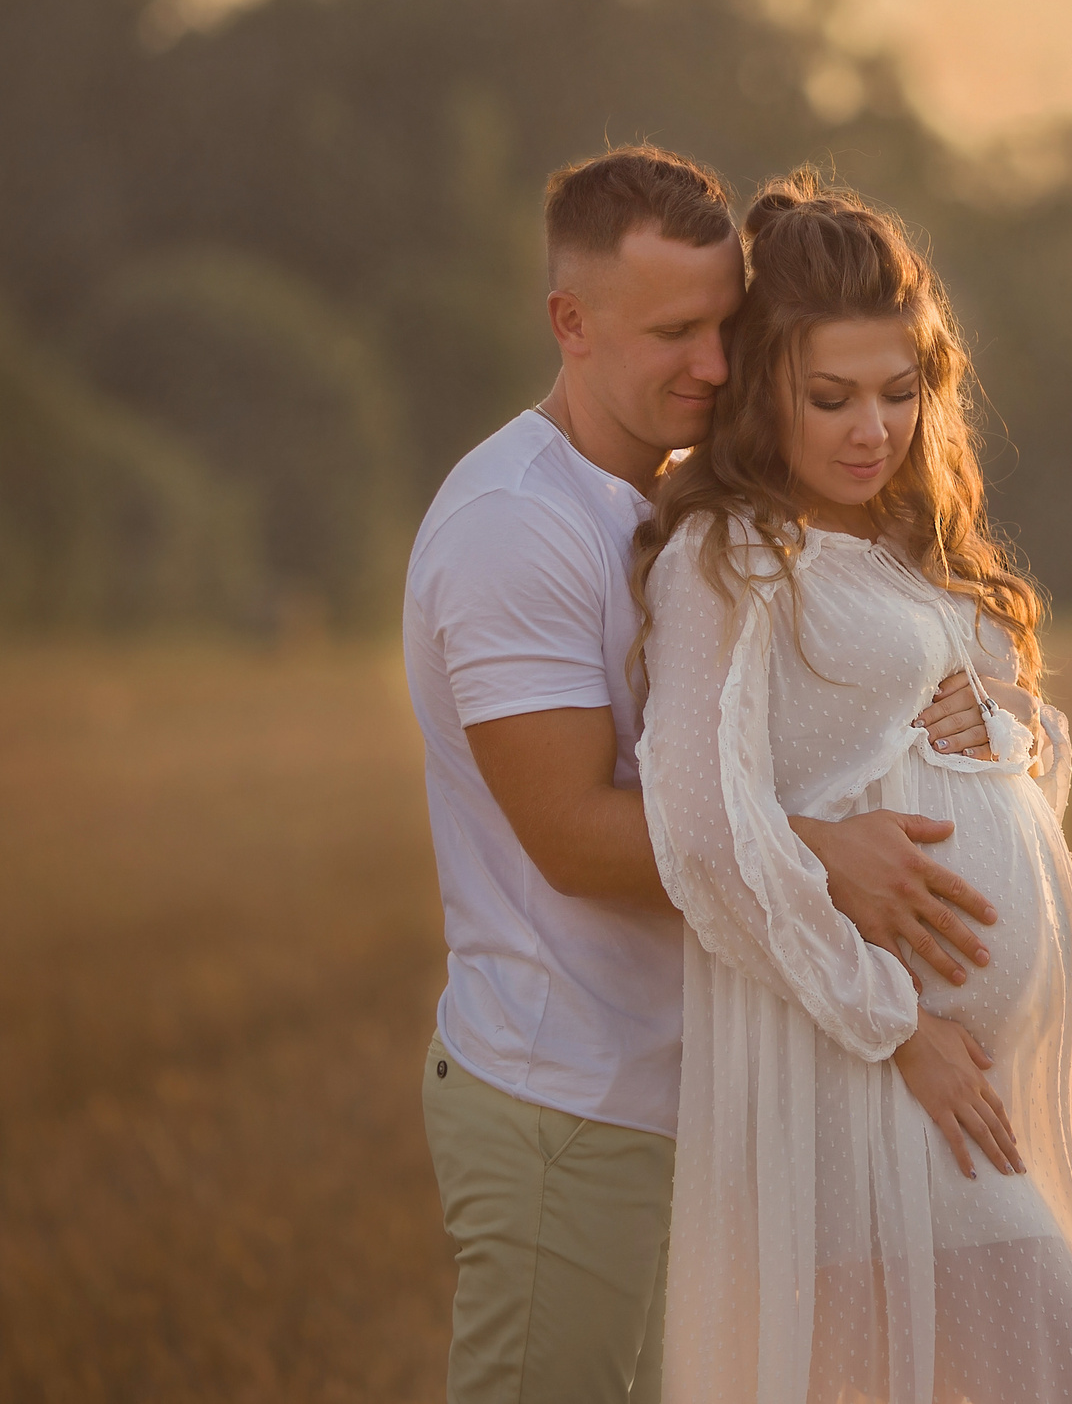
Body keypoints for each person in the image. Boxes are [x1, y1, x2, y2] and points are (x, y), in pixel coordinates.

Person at [403, 146, 1001, 1404]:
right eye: (674, 331)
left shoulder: (681, 502)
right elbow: (568, 835)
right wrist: (825, 856)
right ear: (570, 323)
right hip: (574, 1106)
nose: (717, 366)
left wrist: (961, 713)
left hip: (719, 1097)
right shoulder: (515, 527)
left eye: (727, 326)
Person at [633, 173, 1072, 1403]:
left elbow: (1016, 800)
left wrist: (1010, 727)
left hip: (940, 1086)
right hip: (859, 1072)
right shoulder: (732, 559)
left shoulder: (899, 549)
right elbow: (706, 830)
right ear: (761, 387)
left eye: (898, 392)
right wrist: (899, 1028)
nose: (869, 428)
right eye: (829, 398)